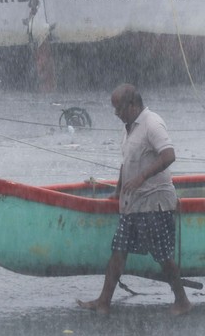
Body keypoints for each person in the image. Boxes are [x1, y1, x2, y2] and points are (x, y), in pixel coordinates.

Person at [78, 84, 191, 316]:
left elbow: (169, 155)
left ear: (133, 105)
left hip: (154, 202)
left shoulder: (152, 123)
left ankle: (182, 300)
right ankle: (103, 301)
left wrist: (142, 177)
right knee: (118, 251)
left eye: (118, 108)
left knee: (162, 255)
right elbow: (126, 163)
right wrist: (118, 191)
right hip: (132, 203)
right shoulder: (129, 127)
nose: (116, 113)